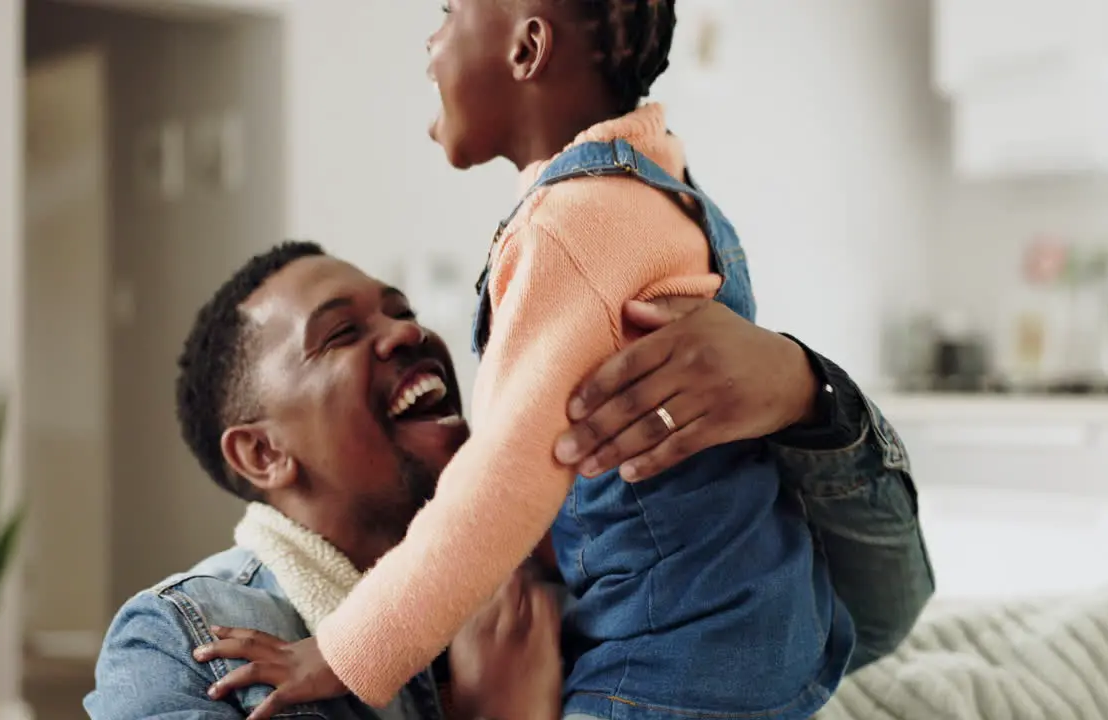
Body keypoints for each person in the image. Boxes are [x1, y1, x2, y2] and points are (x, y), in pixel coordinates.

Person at [199, 2, 924, 719]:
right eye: (339, 335)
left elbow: (500, 487)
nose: (431, 37)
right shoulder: (659, 189)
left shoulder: (568, 229)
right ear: (257, 451)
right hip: (766, 622)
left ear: (527, 50)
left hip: (675, 653)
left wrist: (345, 653)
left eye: (449, 13)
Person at [84, 242, 931, 719]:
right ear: (262, 455)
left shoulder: (581, 541)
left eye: (400, 309)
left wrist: (804, 393)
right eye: (341, 334)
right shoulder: (183, 646)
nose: (407, 332)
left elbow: (876, 617)